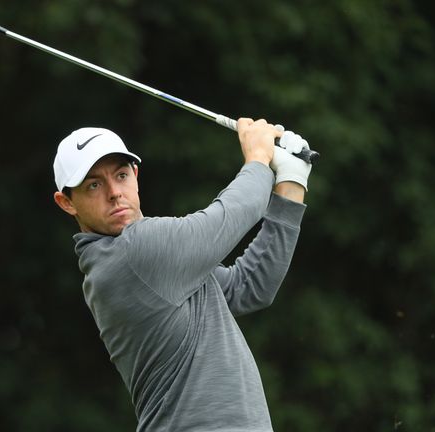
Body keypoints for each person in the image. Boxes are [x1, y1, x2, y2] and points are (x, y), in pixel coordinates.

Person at [52, 118, 312, 431]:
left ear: (135, 175)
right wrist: (258, 155)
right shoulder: (132, 253)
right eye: (93, 185)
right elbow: (233, 214)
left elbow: (249, 287)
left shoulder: (157, 267)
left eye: (121, 176)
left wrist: (291, 183)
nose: (114, 193)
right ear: (67, 202)